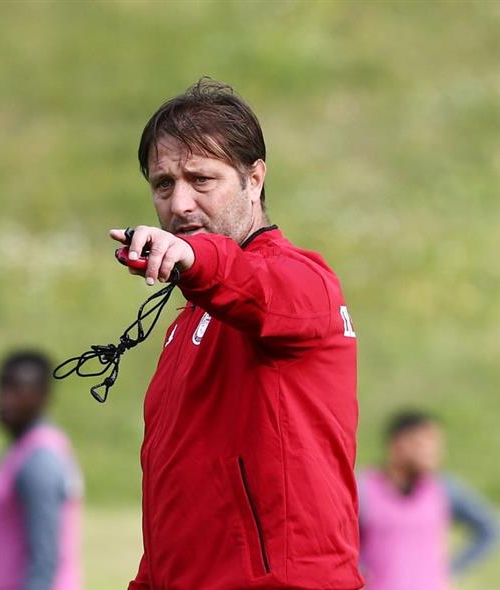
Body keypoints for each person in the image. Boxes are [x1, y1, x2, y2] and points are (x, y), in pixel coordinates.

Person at [111, 78, 363, 589]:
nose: (180, 204)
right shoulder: (187, 323)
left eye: (201, 179)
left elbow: (251, 285)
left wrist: (194, 258)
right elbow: (175, 508)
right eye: (163, 184)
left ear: (255, 179)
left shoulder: (304, 281)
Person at [358, 410, 497, 589]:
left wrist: (452, 570)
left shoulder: (443, 489)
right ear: (398, 444)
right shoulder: (364, 489)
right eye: (423, 444)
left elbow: (489, 528)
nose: (433, 453)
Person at [0, 350, 83, 590]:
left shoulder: (40, 460)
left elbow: (45, 558)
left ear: (43, 396)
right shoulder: (24, 449)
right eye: (2, 387)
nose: (5, 399)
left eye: (18, 390)